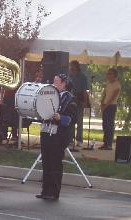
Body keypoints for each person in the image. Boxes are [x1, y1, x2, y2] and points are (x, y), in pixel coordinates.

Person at [36, 73, 77, 201]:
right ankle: (45, 190)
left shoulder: (70, 99)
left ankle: (54, 192)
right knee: (46, 162)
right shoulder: (49, 95)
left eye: (56, 82)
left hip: (59, 135)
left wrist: (60, 118)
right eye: (53, 81)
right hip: (46, 131)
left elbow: (72, 119)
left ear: (64, 84)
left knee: (55, 163)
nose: (53, 84)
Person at [98, 68, 121, 150]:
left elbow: (113, 97)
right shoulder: (108, 84)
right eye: (107, 73)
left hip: (111, 106)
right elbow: (105, 94)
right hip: (105, 105)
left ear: (114, 75)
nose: (108, 75)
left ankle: (109, 144)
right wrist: (101, 103)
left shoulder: (117, 84)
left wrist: (106, 105)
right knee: (105, 125)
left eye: (110, 74)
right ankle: (105, 143)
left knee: (109, 125)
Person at [68, 60, 88, 151]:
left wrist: (85, 101)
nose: (70, 68)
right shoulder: (70, 76)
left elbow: (84, 91)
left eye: (72, 66)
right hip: (71, 99)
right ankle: (70, 139)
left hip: (80, 98)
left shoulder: (82, 77)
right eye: (70, 66)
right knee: (71, 120)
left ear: (76, 66)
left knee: (79, 120)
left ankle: (79, 140)